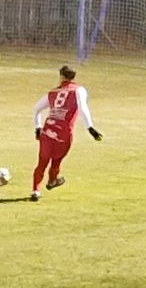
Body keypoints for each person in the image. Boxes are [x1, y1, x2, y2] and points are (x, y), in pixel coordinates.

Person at [30, 64, 103, 201]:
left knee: (42, 162)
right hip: (63, 132)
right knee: (56, 161)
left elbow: (36, 109)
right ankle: (52, 181)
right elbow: (83, 108)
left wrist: (38, 127)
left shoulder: (52, 92)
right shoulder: (78, 90)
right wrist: (90, 128)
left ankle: (35, 190)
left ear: (62, 76)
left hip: (48, 130)